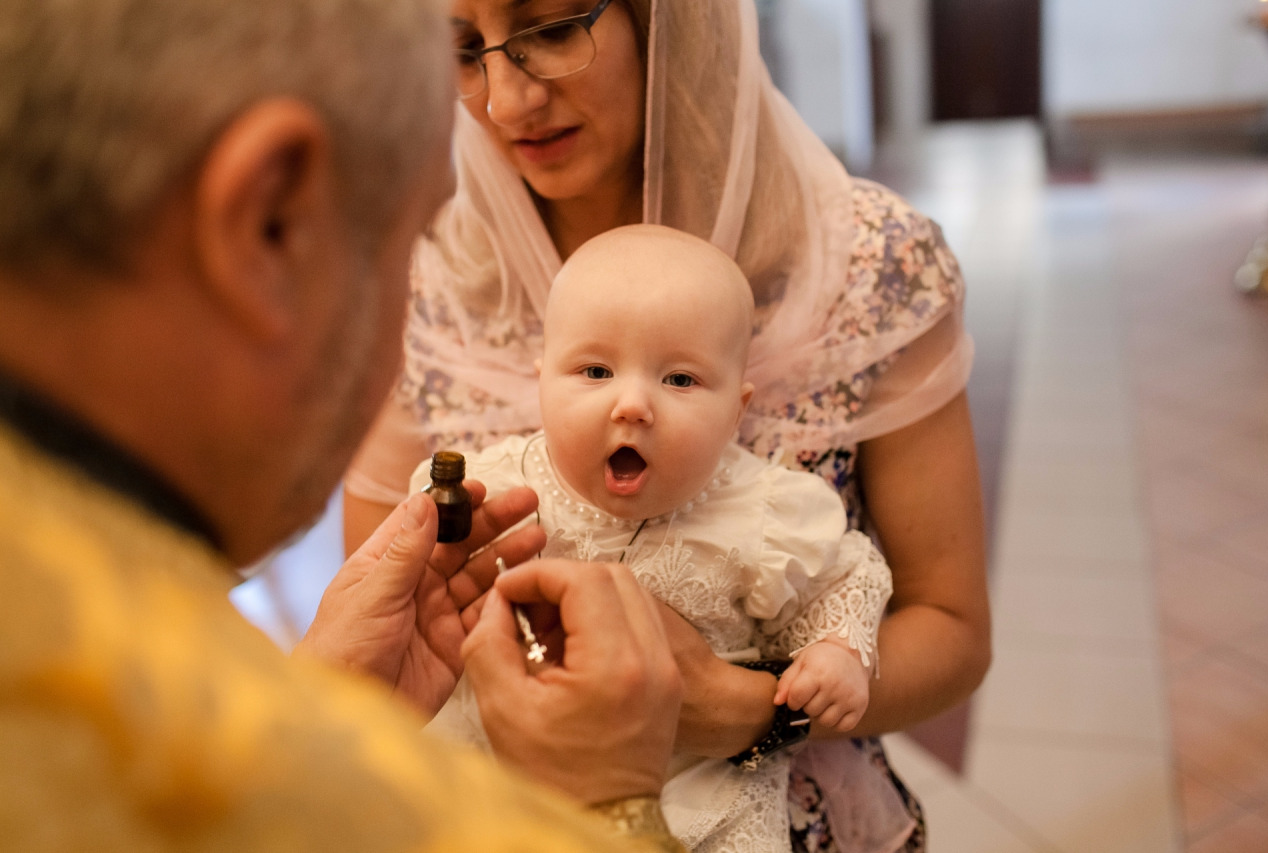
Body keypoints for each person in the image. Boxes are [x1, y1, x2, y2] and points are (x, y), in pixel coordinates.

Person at [0, 0, 689, 850]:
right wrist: (608, 806)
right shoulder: (194, 753)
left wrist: (328, 701)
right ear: (268, 222)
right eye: (409, 239)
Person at [343, 0, 992, 849]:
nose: (506, 102)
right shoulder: (431, 283)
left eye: (549, 29)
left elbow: (951, 630)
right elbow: (381, 616)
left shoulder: (869, 265)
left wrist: (748, 706)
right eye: (463, 50)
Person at [414, 225, 896, 853]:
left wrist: (837, 652)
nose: (633, 404)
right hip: (503, 762)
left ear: (736, 409)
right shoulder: (496, 489)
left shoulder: (763, 511)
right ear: (541, 382)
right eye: (595, 370)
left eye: (680, 381)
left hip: (692, 784)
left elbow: (850, 574)